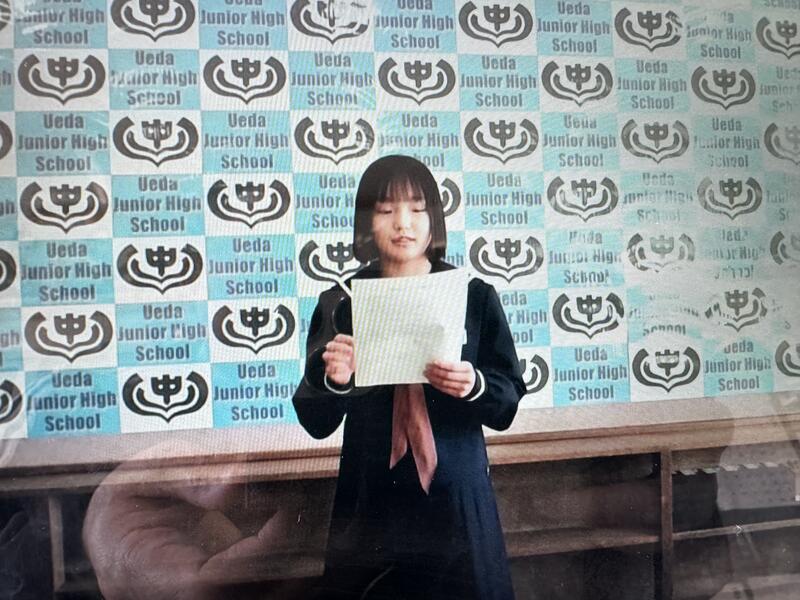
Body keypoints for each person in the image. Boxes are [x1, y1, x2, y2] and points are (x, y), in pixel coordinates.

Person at [292, 155, 526, 600]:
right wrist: (335, 380)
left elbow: (507, 402)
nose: (403, 222)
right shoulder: (339, 302)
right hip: (371, 501)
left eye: (417, 208)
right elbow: (315, 421)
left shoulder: (473, 296)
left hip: (458, 496)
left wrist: (474, 385)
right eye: (386, 210)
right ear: (366, 223)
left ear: (434, 219)